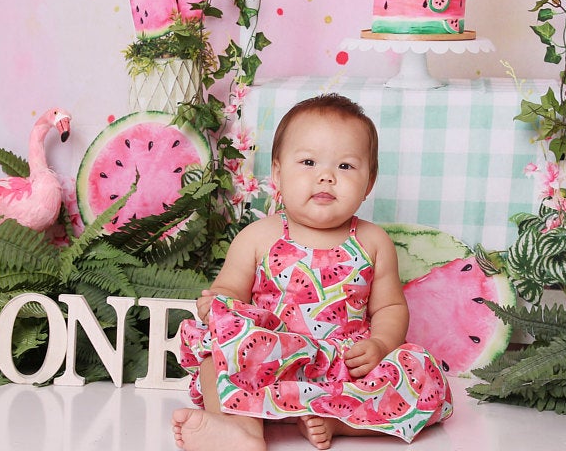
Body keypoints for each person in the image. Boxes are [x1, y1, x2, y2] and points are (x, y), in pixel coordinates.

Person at [172, 94, 452, 451]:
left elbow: (390, 307)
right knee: (214, 346)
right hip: (269, 360)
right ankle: (241, 428)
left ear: (369, 182)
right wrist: (217, 303)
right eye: (308, 162)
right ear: (277, 174)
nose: (326, 177)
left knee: (421, 372)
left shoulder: (373, 241)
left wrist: (380, 345)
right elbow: (229, 291)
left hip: (344, 370)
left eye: (345, 166)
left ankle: (338, 422)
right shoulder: (258, 236)